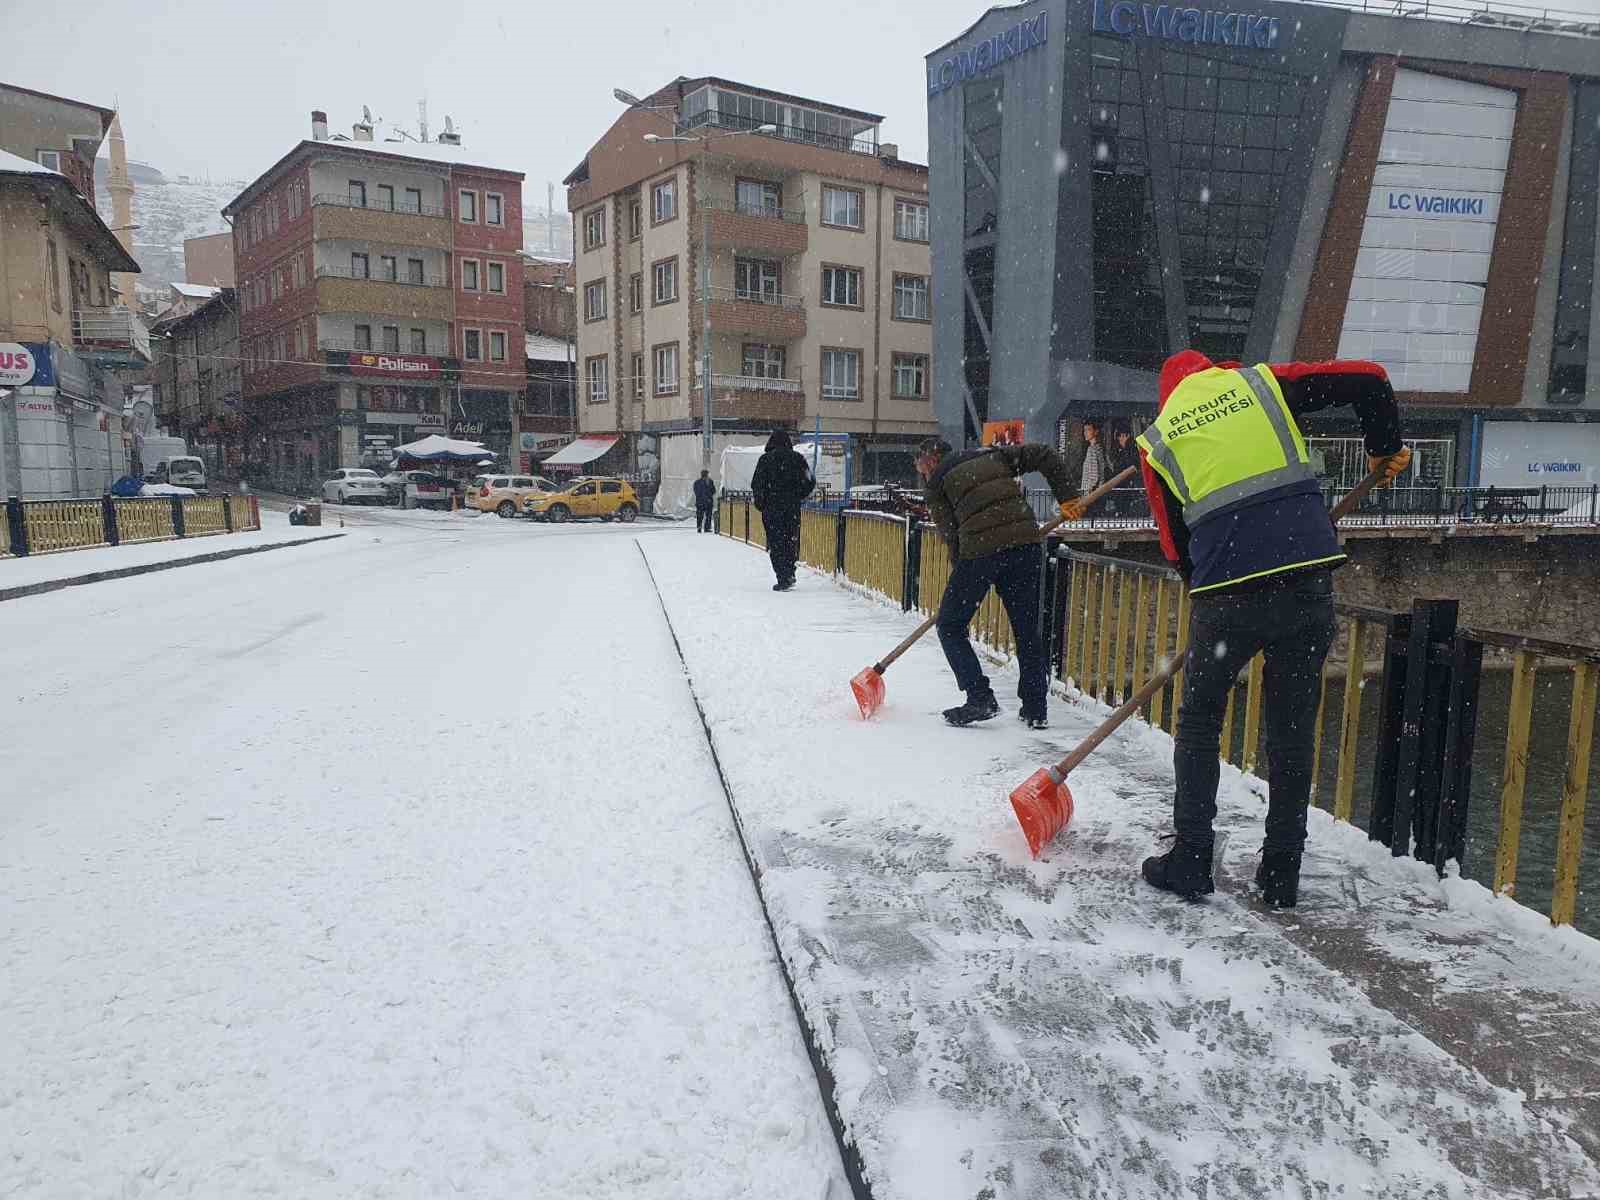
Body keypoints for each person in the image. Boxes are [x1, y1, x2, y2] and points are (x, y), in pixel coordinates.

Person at [1135, 350, 1410, 908]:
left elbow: (1173, 544)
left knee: (1200, 723)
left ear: (1169, 395)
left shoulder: (1158, 439)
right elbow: (1371, 379)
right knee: (1290, 731)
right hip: (1305, 584)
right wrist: (1383, 448)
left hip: (1225, 598)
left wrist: (1211, 583)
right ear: (1217, 371)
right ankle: (1281, 874)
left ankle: (1191, 859)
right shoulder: (1263, 387)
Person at [919, 436, 1084, 729]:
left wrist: (965, 576)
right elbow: (1044, 453)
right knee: (1026, 629)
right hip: (1025, 545)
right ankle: (1035, 709)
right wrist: (1067, 494)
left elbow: (951, 533)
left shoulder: (937, 481)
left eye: (921, 468)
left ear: (931, 460)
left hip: (980, 551)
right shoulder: (992, 455)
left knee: (950, 625)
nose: (923, 475)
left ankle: (980, 697)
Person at [750, 431, 815, 591]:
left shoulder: (765, 460)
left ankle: (783, 575)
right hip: (791, 507)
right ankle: (790, 570)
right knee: (790, 539)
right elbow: (810, 481)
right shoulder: (798, 459)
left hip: (771, 508)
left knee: (775, 541)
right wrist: (798, 495)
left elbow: (756, 484)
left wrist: (762, 503)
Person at [1078, 419, 1113, 515]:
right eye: (1084, 430)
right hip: (1098, 492)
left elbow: (1095, 474)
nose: (1085, 433)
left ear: (1096, 432)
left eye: (1088, 430)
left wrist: (1089, 490)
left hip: (1092, 493)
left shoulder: (1092, 449)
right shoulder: (1100, 448)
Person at [693, 469, 716, 533]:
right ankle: (699, 527)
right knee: (700, 515)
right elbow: (697, 492)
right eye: (706, 474)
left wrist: (709, 495)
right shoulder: (697, 482)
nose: (707, 476)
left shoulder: (710, 481)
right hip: (701, 502)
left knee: (708, 515)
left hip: (708, 502)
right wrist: (706, 497)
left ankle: (706, 528)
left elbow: (714, 490)